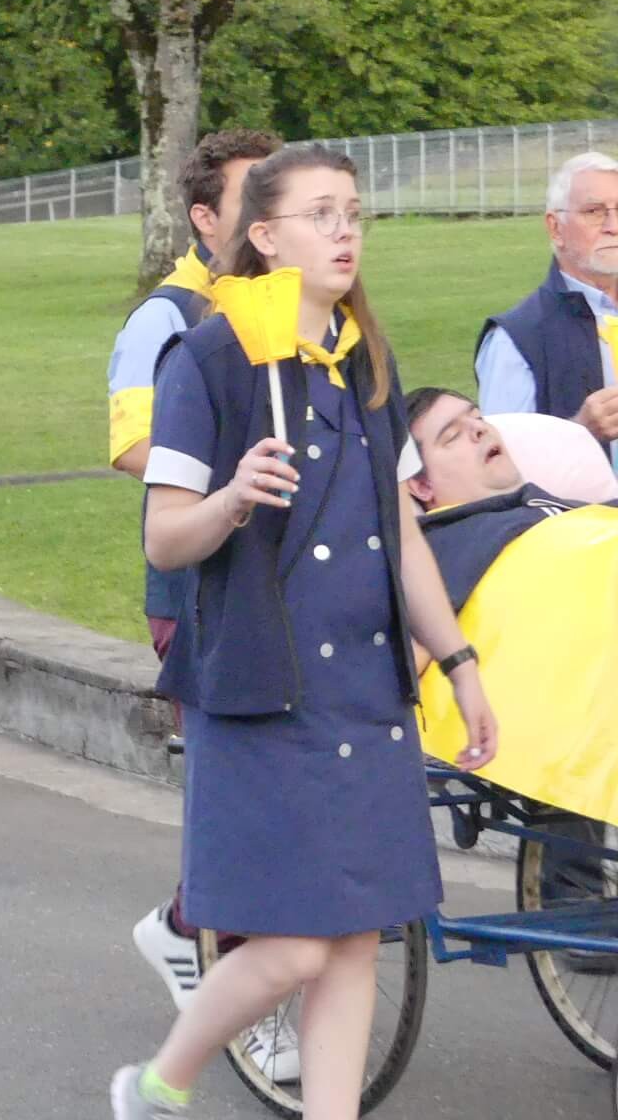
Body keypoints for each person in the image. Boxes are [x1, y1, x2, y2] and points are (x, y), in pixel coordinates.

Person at [111, 143, 498, 1120]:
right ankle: (159, 1082)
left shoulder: (367, 358)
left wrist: (457, 660)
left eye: (352, 213)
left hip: (364, 694)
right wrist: (234, 495)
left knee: (357, 940)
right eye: (320, 214)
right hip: (259, 691)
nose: (343, 231)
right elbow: (165, 536)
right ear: (264, 235)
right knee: (288, 947)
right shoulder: (207, 358)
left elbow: (397, 527)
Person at [107, 128, 282, 1008]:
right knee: (239, 789)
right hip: (196, 589)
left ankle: (190, 927)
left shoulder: (295, 305)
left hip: (284, 583)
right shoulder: (166, 318)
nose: (268, 218)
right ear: (206, 219)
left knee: (274, 789)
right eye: (252, 201)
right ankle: (232, 980)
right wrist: (234, 485)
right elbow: (131, 444)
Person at [475, 151, 618, 469]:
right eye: (594, 211)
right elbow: (501, 470)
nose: (613, 226)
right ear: (556, 228)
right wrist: (581, 431)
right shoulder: (516, 339)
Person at [404, 388, 588, 609]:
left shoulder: (554, 511)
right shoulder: (443, 559)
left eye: (478, 418)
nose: (480, 428)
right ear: (422, 485)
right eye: (453, 435)